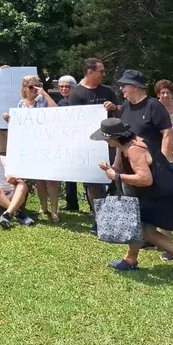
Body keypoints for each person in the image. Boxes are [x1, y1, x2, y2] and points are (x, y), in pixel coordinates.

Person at [92, 118, 173, 279]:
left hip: (161, 194)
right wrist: (111, 169)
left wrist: (117, 176)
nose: (105, 141)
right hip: (149, 194)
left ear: (114, 137)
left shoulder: (134, 149)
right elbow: (119, 167)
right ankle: (130, 259)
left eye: (106, 138)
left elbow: (145, 179)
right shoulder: (123, 146)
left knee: (147, 232)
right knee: (138, 226)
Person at [67, 58, 120, 225]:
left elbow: (121, 110)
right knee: (93, 182)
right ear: (90, 72)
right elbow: (74, 120)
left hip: (111, 144)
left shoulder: (108, 91)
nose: (103, 74)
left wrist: (114, 108)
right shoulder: (76, 94)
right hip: (89, 146)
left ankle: (114, 213)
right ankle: (99, 218)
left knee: (115, 178)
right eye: (101, 71)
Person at [4, 75, 60, 221]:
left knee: (52, 179)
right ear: (24, 88)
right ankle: (43, 207)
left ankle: (54, 210)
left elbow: (57, 111)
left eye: (37, 85)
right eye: (31, 87)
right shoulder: (21, 105)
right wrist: (9, 119)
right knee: (39, 180)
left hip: (47, 144)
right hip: (31, 147)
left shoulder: (43, 100)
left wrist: (45, 93)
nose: (35, 89)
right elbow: (18, 126)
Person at [58, 73, 81, 211]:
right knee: (69, 175)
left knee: (86, 177)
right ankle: (72, 203)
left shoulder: (80, 101)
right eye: (61, 86)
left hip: (81, 141)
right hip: (66, 142)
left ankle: (93, 206)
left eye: (67, 86)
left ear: (74, 88)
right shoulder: (60, 103)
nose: (64, 89)